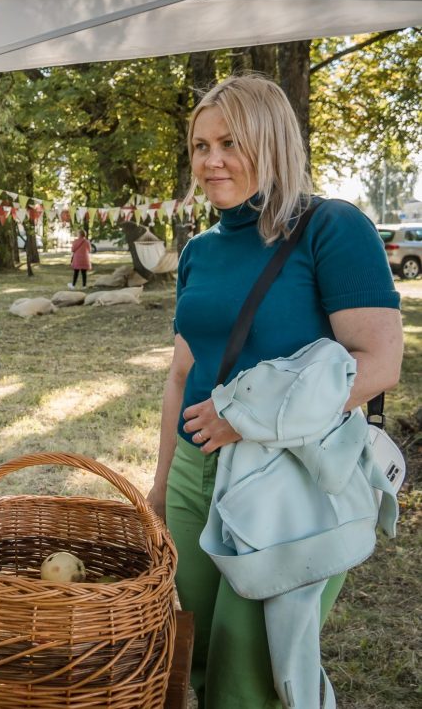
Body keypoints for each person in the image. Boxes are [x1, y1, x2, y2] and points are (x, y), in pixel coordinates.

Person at [146, 74, 402, 709]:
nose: (210, 161)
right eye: (200, 145)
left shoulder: (331, 227)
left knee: (251, 675)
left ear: (272, 141)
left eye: (230, 143)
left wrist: (250, 417)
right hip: (194, 475)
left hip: (285, 480)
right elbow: (182, 373)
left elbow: (378, 363)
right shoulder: (199, 250)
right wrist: (162, 482)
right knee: (199, 655)